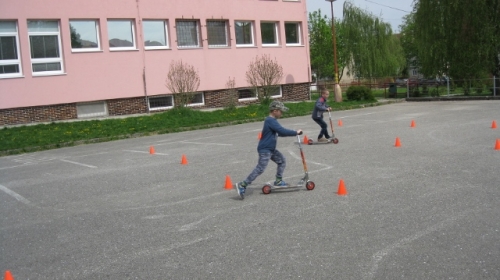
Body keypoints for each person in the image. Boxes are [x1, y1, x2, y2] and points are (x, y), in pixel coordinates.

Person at [235, 101, 302, 200]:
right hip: (265, 149)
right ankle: (243, 184)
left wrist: (293, 133)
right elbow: (281, 130)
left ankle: (278, 181)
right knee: (260, 168)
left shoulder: (272, 121)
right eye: (280, 111)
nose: (281, 114)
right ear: (275, 111)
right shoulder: (270, 120)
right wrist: (295, 132)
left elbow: (280, 133)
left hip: (270, 149)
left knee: (282, 160)